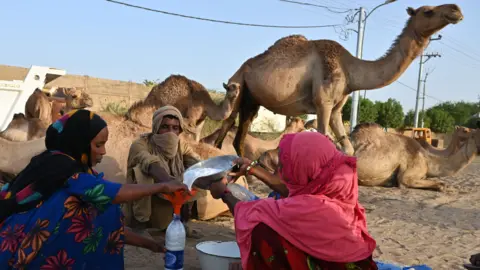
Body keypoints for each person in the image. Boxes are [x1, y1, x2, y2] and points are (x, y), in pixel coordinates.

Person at [0, 109, 189, 268]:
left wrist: (150, 245)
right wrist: (163, 185)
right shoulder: (62, 170)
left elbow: (103, 224)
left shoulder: (68, 167)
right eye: (98, 145)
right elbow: (110, 193)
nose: (104, 152)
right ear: (79, 142)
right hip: (26, 254)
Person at [209, 132, 378, 270]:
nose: (281, 171)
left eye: (286, 167)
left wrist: (224, 194)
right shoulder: (335, 181)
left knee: (262, 229)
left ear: (307, 168)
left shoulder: (313, 207)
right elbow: (291, 190)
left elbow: (254, 212)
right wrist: (252, 168)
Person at [124, 105, 201, 236]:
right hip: (149, 204)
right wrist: (169, 184)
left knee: (195, 171)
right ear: (156, 127)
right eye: (165, 127)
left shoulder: (181, 145)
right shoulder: (141, 144)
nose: (170, 132)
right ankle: (139, 227)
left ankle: (184, 222)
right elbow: (150, 163)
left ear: (180, 131)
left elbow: (197, 161)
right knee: (143, 173)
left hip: (170, 201)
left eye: (175, 128)